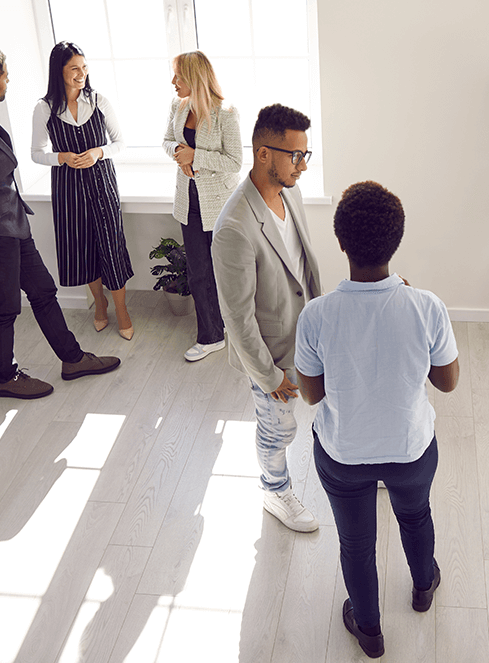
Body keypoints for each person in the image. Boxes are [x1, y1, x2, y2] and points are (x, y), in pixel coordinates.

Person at [295, 181, 459, 659]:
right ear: (397, 240)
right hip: (411, 451)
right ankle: (424, 587)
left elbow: (311, 394)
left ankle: (369, 632)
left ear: (341, 242)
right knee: (415, 516)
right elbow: (447, 383)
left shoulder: (316, 315)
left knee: (356, 543)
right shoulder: (426, 306)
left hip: (344, 456)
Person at [0, 44, 119, 400]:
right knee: (4, 309)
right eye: (4, 76)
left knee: (43, 291)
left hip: (11, 224)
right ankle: (5, 378)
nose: (8, 81)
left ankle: (72, 359)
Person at [211, 104, 321, 532]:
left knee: (331, 405)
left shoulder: (290, 192)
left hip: (310, 334)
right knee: (278, 429)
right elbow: (236, 319)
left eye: (305, 155)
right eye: (295, 155)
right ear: (263, 153)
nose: (302, 166)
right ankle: (275, 490)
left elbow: (303, 270)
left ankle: (356, 459)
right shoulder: (234, 228)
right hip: (273, 356)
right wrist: (269, 376)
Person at [32, 41, 135, 340]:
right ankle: (99, 304)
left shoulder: (99, 101)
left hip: (102, 183)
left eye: (85, 67)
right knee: (83, 249)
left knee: (111, 247)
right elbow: (36, 153)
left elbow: (120, 143)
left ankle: (122, 309)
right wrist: (60, 158)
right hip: (68, 188)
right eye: (74, 68)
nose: (82, 74)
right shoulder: (44, 108)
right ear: (59, 71)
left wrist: (99, 153)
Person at [163, 51, 242, 361]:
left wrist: (195, 155)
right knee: (198, 271)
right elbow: (167, 140)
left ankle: (237, 328)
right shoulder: (177, 106)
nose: (173, 82)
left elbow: (235, 162)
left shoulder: (227, 114)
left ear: (194, 79)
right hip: (189, 202)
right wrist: (178, 151)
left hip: (221, 204)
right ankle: (210, 336)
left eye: (178, 77)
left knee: (228, 270)